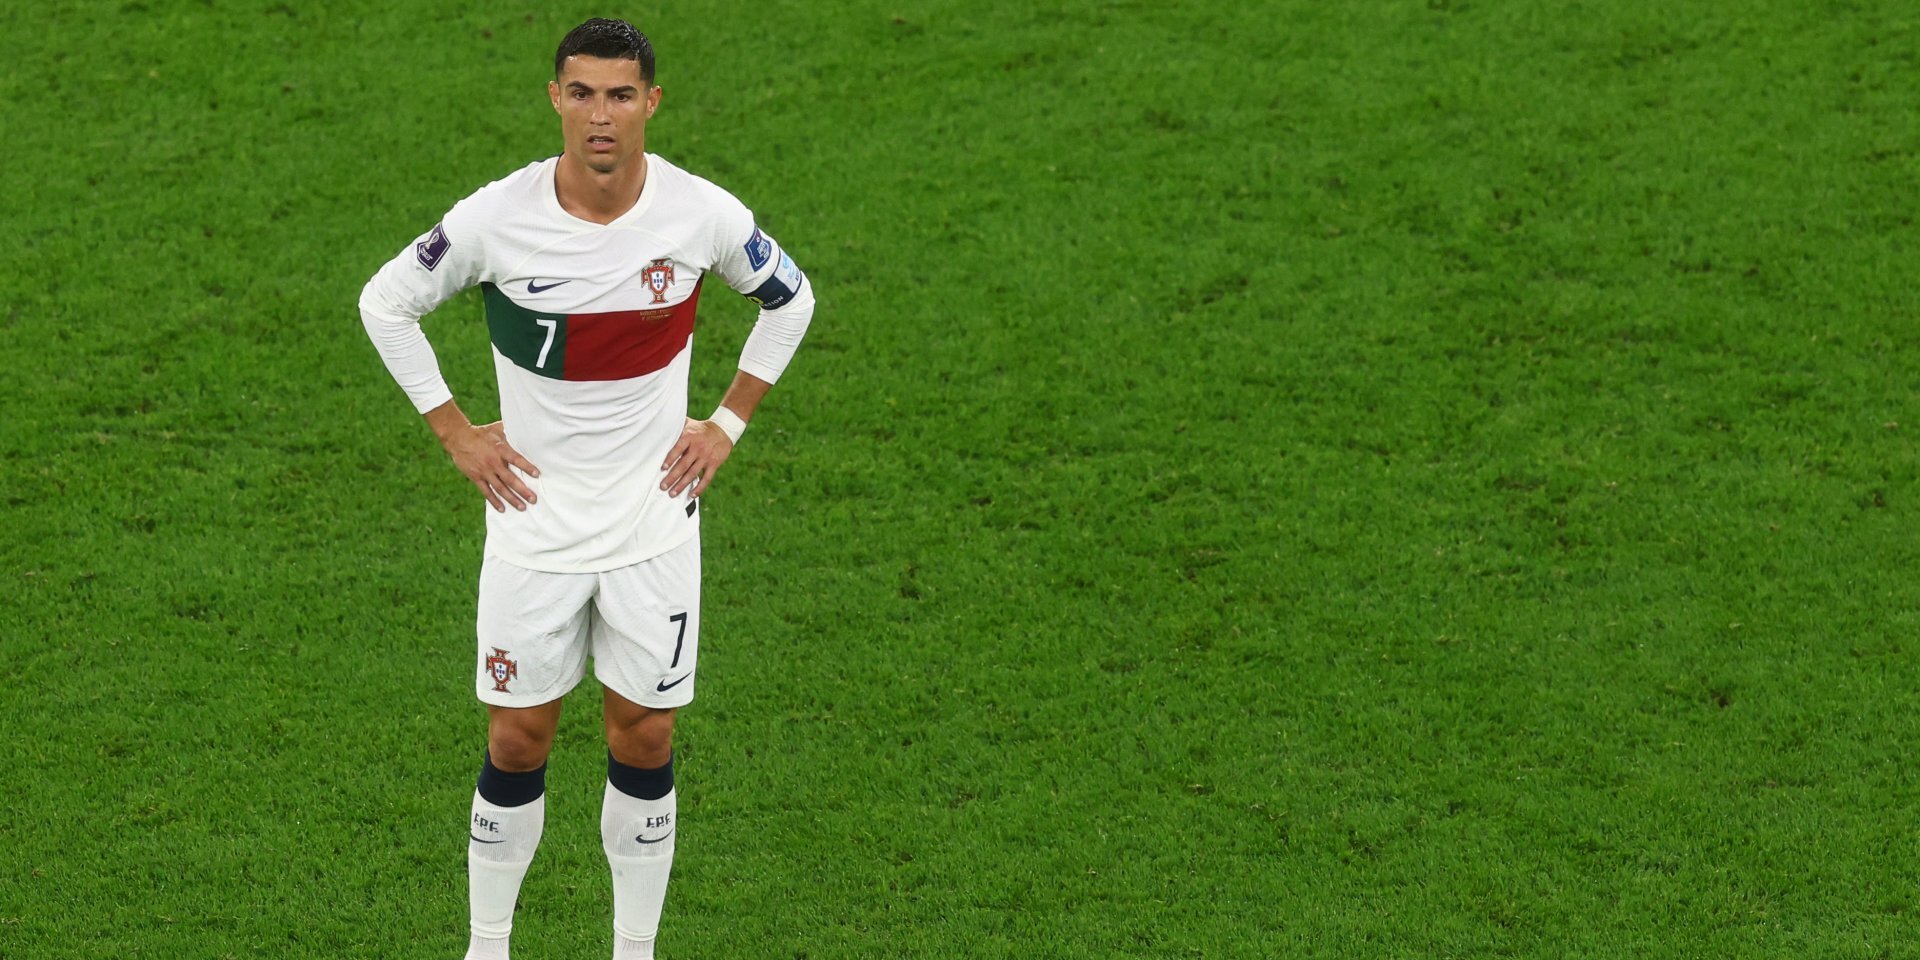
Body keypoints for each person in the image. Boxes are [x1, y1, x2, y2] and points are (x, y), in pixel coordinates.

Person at [358, 18, 814, 960]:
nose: (600, 116)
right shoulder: (496, 218)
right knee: (517, 738)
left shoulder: (700, 214)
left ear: (651, 103)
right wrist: (454, 431)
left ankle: (633, 951)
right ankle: (488, 947)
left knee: (644, 736)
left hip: (654, 525)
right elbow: (386, 302)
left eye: (619, 95)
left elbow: (791, 300)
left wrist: (726, 423)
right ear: (555, 99)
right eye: (581, 93)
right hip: (534, 525)